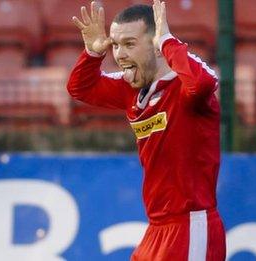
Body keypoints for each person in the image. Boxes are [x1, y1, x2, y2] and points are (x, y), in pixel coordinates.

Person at [68, 0, 225, 260]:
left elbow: (202, 83)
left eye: (129, 44)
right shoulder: (130, 89)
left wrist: (168, 41)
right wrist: (94, 54)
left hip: (190, 225)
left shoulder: (185, 88)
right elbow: (80, 88)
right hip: (156, 229)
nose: (119, 55)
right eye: (116, 45)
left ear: (156, 46)